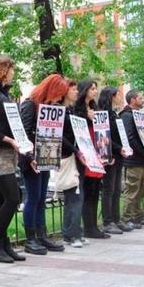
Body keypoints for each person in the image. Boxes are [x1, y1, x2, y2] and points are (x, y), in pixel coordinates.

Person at [19, 74, 67, 254]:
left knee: (41, 198)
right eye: (58, 94)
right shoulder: (30, 105)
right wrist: (30, 156)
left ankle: (41, 235)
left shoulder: (48, 107)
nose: (59, 98)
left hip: (46, 156)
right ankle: (30, 238)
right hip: (31, 159)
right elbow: (23, 132)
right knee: (33, 197)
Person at [0, 55, 27, 263]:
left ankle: (3, 243)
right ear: (1, 69)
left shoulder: (4, 94)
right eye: (11, 69)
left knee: (0, 200)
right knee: (13, 197)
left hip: (10, 150)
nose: (13, 73)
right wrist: (7, 139)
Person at [74, 80, 108, 239]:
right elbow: (77, 129)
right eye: (92, 88)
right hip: (85, 153)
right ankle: (88, 226)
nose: (95, 91)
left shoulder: (95, 108)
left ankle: (93, 225)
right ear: (85, 90)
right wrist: (87, 117)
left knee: (95, 190)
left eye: (96, 88)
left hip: (97, 152)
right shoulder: (77, 109)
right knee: (88, 191)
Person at [98, 87, 131, 233]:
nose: (120, 97)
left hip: (119, 155)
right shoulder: (103, 115)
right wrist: (119, 148)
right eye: (118, 95)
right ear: (112, 96)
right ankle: (107, 221)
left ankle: (116, 218)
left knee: (117, 188)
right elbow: (106, 137)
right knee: (108, 188)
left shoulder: (114, 114)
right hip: (109, 155)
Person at [60, 80, 86, 248]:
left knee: (76, 196)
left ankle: (71, 232)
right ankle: (72, 233)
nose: (77, 92)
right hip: (68, 156)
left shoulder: (71, 110)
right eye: (73, 89)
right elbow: (61, 136)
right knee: (74, 195)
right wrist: (76, 150)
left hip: (76, 156)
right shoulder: (61, 111)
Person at [119, 90, 144, 229]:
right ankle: (126, 218)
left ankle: (138, 216)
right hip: (133, 159)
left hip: (142, 158)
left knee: (141, 189)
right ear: (132, 100)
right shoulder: (126, 116)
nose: (143, 100)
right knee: (132, 190)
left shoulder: (138, 115)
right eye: (140, 97)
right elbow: (130, 137)